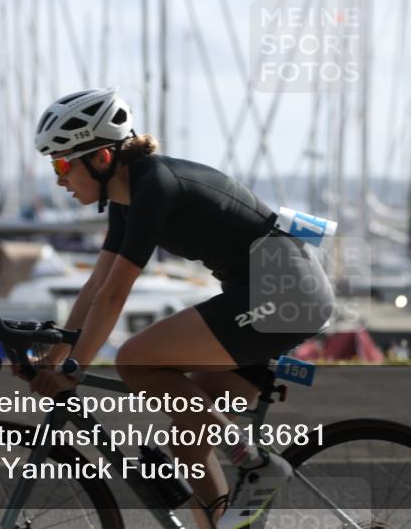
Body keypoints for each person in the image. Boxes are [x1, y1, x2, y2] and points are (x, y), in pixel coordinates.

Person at [22, 89, 334, 529]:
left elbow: (115, 295)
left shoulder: (155, 186)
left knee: (135, 358)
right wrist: (55, 356)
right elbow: (95, 287)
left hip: (286, 293)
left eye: (61, 165)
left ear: (101, 158)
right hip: (264, 292)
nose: (58, 180)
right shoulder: (128, 199)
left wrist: (74, 369)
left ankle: (256, 463)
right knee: (188, 440)